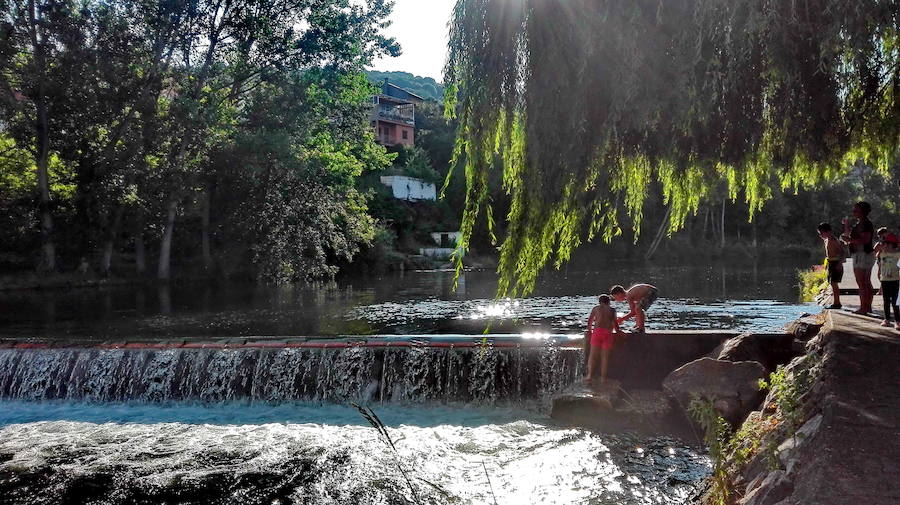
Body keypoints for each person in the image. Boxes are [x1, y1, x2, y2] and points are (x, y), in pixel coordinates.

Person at [840, 202, 875, 314]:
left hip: (863, 254)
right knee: (865, 282)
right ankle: (867, 307)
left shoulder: (865, 224)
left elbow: (865, 240)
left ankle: (864, 308)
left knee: (862, 282)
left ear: (863, 212)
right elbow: (854, 235)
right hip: (862, 254)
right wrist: (846, 226)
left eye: (856, 210)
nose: (853, 212)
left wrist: (849, 240)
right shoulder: (860, 224)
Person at [583, 294, 622, 385]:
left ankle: (589, 376)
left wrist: (589, 331)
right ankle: (603, 378)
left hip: (597, 332)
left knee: (592, 356)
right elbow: (615, 324)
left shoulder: (596, 308)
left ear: (599, 302)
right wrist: (618, 332)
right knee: (605, 357)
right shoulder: (612, 310)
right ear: (608, 302)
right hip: (608, 333)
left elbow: (590, 321)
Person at [874, 229, 900, 329]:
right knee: (885, 301)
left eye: (886, 244)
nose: (884, 246)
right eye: (884, 244)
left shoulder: (898, 255)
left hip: (895, 280)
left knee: (895, 301)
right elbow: (876, 250)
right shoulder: (882, 254)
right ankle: (887, 319)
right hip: (884, 281)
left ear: (892, 245)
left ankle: (897, 321)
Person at [817, 222, 845, 309]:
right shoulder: (827, 240)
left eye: (821, 233)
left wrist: (839, 264)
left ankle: (837, 303)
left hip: (835, 263)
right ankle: (836, 302)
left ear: (828, 231)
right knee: (832, 283)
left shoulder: (833, 240)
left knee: (834, 283)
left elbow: (841, 252)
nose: (820, 235)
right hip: (831, 263)